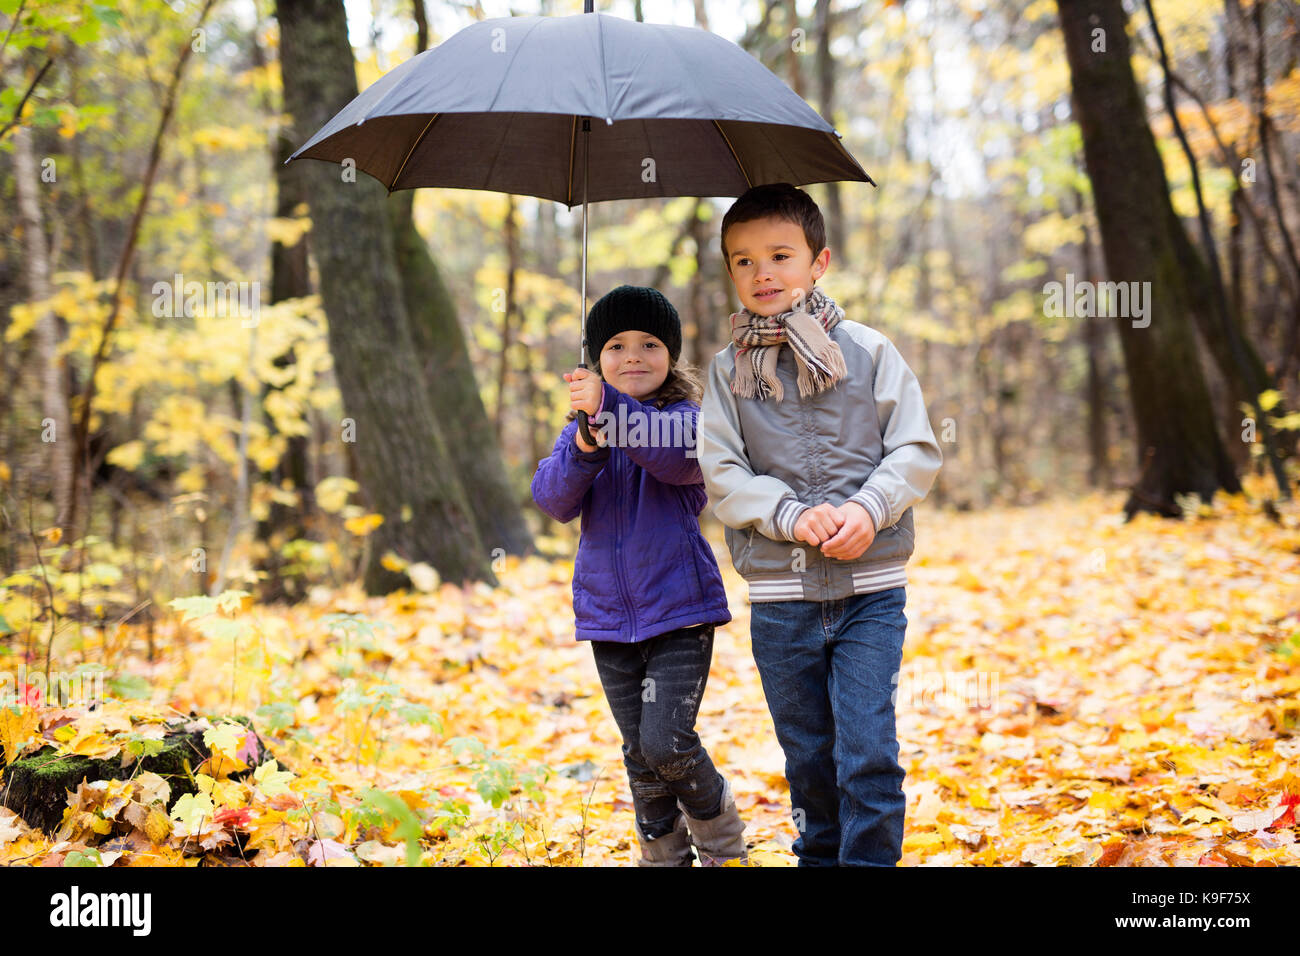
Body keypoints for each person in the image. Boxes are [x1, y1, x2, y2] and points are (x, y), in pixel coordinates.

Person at [698, 183, 943, 867]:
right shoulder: (727, 373)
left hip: (870, 589)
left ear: (819, 262)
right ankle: (819, 856)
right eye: (743, 262)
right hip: (782, 599)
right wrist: (791, 515)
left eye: (780, 255)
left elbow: (916, 448)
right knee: (808, 757)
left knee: (867, 751)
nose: (763, 273)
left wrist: (870, 508)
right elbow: (723, 472)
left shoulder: (867, 350)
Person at [530, 285, 746, 866]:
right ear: (595, 359)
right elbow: (553, 498)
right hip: (608, 619)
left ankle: (723, 847)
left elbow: (675, 460)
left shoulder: (685, 420)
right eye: (616, 346)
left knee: (665, 742)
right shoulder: (584, 428)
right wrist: (584, 443)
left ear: (670, 356)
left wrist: (609, 411)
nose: (632, 357)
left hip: (680, 611)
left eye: (649, 344)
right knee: (637, 751)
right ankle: (664, 855)